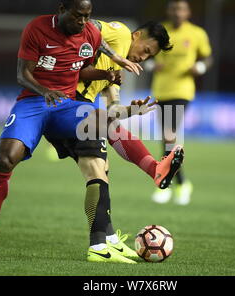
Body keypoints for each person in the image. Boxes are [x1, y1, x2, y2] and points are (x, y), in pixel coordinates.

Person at [0, 0, 149, 264]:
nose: (82, 22)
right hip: (33, 102)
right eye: (77, 16)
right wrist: (44, 90)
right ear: (61, 9)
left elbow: (96, 47)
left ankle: (145, 178)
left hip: (66, 105)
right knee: (5, 160)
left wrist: (114, 64)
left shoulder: (88, 32)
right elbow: (22, 74)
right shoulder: (37, 28)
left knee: (102, 124)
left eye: (87, 17)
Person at [53, 19, 184, 191]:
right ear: (136, 36)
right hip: (62, 99)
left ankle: (155, 171)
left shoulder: (116, 72)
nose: (143, 58)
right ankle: (154, 169)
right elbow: (89, 25)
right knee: (104, 137)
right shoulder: (122, 34)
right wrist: (114, 57)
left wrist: (133, 110)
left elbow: (112, 110)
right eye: (145, 50)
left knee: (102, 171)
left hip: (77, 108)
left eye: (149, 57)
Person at [149, 0, 213, 205]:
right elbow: (145, 53)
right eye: (174, 9)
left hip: (182, 90)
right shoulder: (159, 31)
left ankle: (164, 184)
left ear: (188, 12)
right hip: (160, 90)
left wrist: (200, 67)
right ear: (168, 11)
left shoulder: (196, 33)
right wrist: (150, 65)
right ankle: (182, 183)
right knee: (167, 138)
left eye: (181, 9)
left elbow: (207, 57)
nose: (177, 13)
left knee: (170, 135)